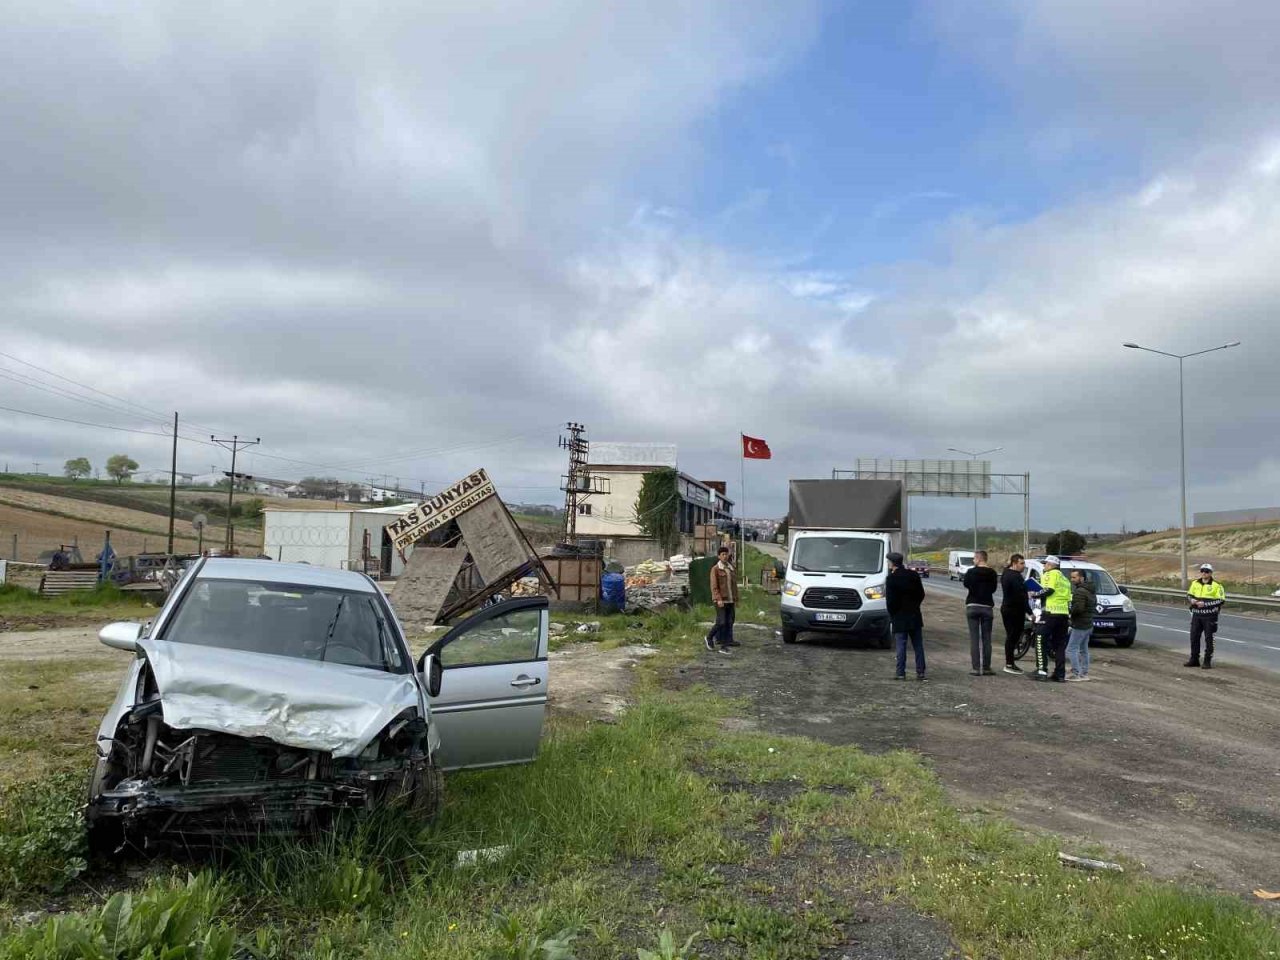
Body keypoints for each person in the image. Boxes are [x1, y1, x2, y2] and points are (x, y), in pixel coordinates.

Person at [885, 551, 926, 680]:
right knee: (918, 645)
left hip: (899, 616)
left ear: (892, 563)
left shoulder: (891, 578)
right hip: (914, 615)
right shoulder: (913, 575)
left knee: (901, 645)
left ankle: (901, 673)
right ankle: (920, 672)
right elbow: (921, 594)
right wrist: (915, 606)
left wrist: (893, 613)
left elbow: (890, 600)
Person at [1033, 556, 1072, 682]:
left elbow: (1048, 590)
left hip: (1050, 612)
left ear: (1050, 565)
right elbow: (1068, 598)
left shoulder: (1050, 574)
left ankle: (1042, 670)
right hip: (1063, 615)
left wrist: (1035, 594)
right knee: (1060, 645)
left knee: (1039, 639)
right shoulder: (1065, 579)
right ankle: (1060, 674)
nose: (1044, 567)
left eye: (1045, 564)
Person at [962, 549, 999, 676]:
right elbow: (994, 589)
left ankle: (976, 668)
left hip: (972, 605)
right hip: (987, 607)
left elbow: (966, 584)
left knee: (974, 638)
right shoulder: (992, 573)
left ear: (978, 559)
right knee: (986, 638)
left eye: (974, 558)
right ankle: (987, 667)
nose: (973, 560)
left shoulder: (971, 572)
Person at [1186, 563, 1226, 669]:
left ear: (1211, 573)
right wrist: (1192, 600)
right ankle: (1194, 659)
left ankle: (1207, 661)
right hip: (1196, 615)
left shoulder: (1217, 585)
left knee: (1209, 639)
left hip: (1210, 616)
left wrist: (1206, 604)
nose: (1204, 573)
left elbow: (1221, 600)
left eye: (1207, 571)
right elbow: (1189, 594)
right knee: (1194, 637)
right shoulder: (1195, 583)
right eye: (1202, 571)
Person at [1000, 554, 1032, 674]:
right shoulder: (1014, 576)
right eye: (1021, 563)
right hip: (1013, 610)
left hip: (1009, 609)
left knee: (1012, 636)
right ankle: (1009, 664)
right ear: (1014, 563)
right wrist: (1030, 612)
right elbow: (1021, 597)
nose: (1023, 566)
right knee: (1012, 637)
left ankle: (1010, 662)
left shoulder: (1007, 573)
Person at [705, 545, 737, 654]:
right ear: (719, 556)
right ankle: (709, 637)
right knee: (721, 622)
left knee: (729, 621)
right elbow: (714, 586)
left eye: (726, 554)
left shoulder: (730, 568)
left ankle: (724, 645)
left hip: (730, 599)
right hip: (720, 600)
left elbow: (734, 586)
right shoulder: (715, 569)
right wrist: (718, 599)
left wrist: (736, 599)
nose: (725, 556)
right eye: (722, 554)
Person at [1066, 568, 1096, 681]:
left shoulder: (1080, 591)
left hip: (1080, 624)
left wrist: (1069, 611)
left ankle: (1075, 673)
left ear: (1082, 578)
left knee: (1071, 649)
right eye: (1071, 577)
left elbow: (1078, 609)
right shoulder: (1091, 590)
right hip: (1088, 624)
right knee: (1084, 650)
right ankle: (1084, 673)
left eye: (1074, 577)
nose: (1072, 580)